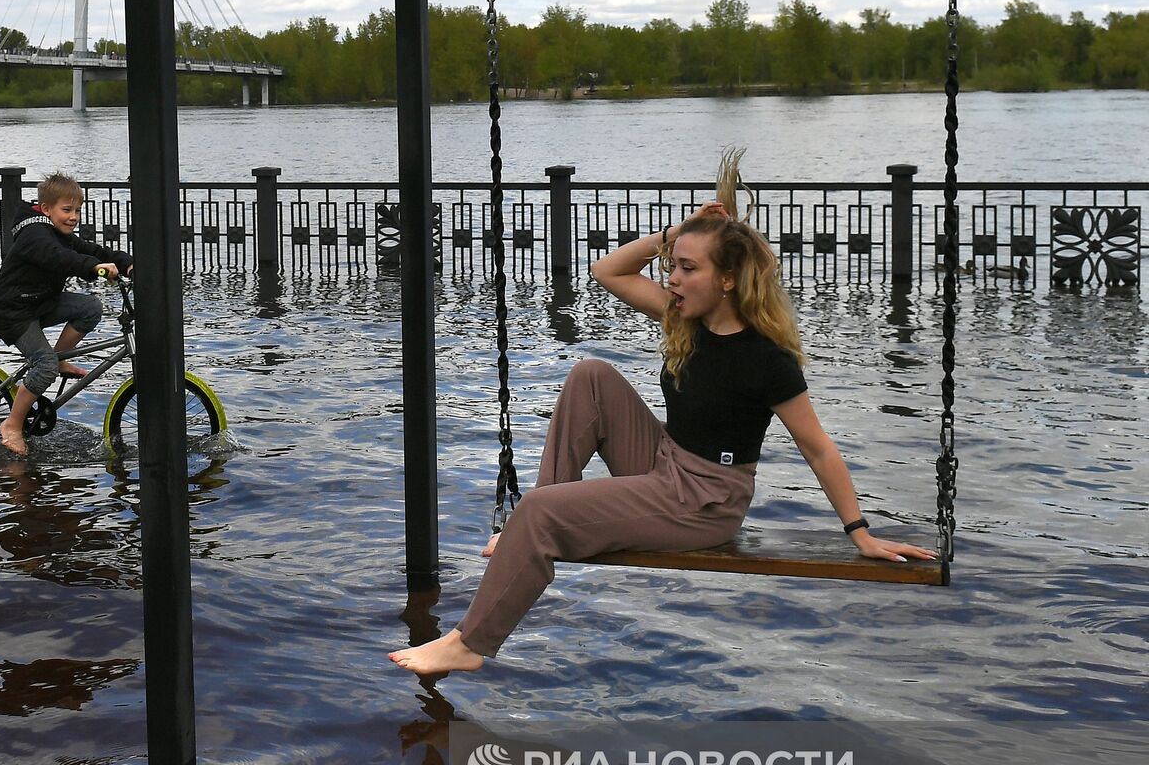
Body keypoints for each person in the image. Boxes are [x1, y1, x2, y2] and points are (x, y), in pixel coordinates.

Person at [389, 148, 935, 676]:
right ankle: (534, 529)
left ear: (726, 281)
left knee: (539, 509)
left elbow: (817, 447)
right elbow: (607, 271)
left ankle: (471, 642)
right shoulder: (685, 321)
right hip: (665, 464)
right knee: (591, 376)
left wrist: (859, 532)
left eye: (686, 268)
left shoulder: (767, 360)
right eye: (673, 267)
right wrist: (675, 235)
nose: (672, 278)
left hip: (705, 501)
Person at [0, 172, 133, 455]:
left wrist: (128, 265)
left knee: (90, 308)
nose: (73, 217)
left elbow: (93, 249)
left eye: (77, 210)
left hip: (41, 303)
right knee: (44, 367)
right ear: (46, 209)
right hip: (15, 312)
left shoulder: (60, 233)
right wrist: (93, 268)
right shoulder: (34, 235)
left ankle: (61, 358)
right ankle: (12, 424)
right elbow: (58, 257)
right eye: (66, 210)